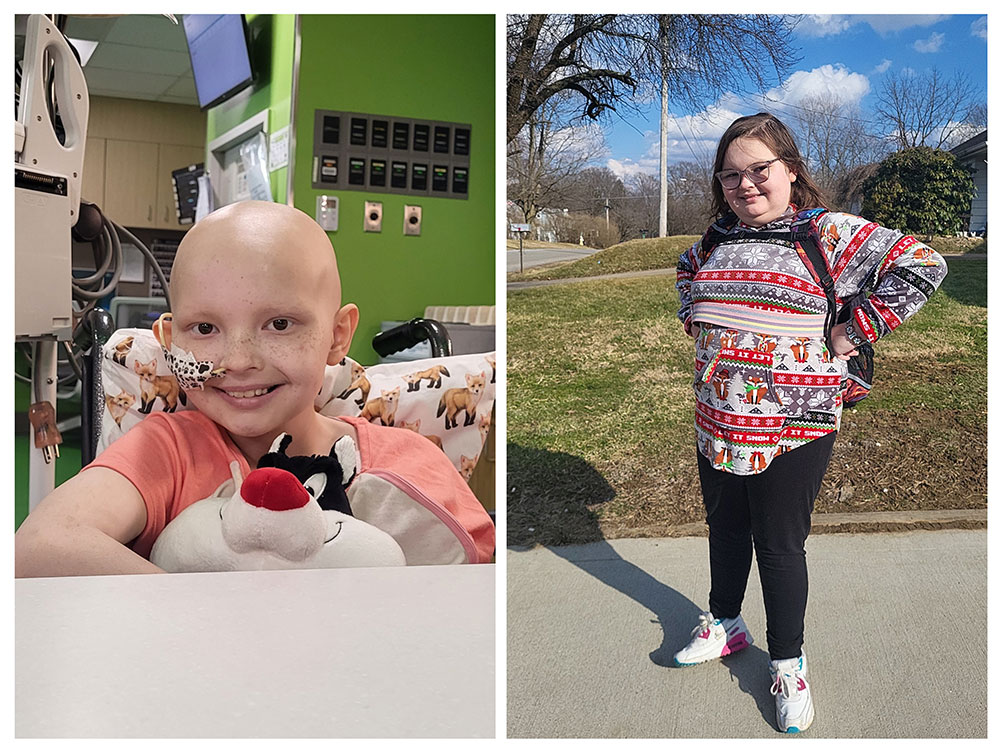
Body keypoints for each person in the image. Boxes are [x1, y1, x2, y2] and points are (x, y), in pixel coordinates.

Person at [15, 201, 494, 576]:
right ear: (169, 339)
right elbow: (39, 546)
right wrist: (213, 620)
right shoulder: (166, 452)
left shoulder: (406, 466)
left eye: (279, 324)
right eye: (204, 329)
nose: (238, 360)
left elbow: (479, 584)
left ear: (338, 335)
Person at [672, 113, 946, 733]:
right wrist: (697, 317)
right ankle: (726, 625)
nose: (744, 185)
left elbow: (923, 265)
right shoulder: (715, 240)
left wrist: (857, 327)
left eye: (758, 170)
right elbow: (686, 272)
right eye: (730, 175)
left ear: (790, 170)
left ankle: (789, 663)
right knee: (724, 526)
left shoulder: (828, 234)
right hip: (716, 413)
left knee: (777, 543)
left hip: (793, 423)